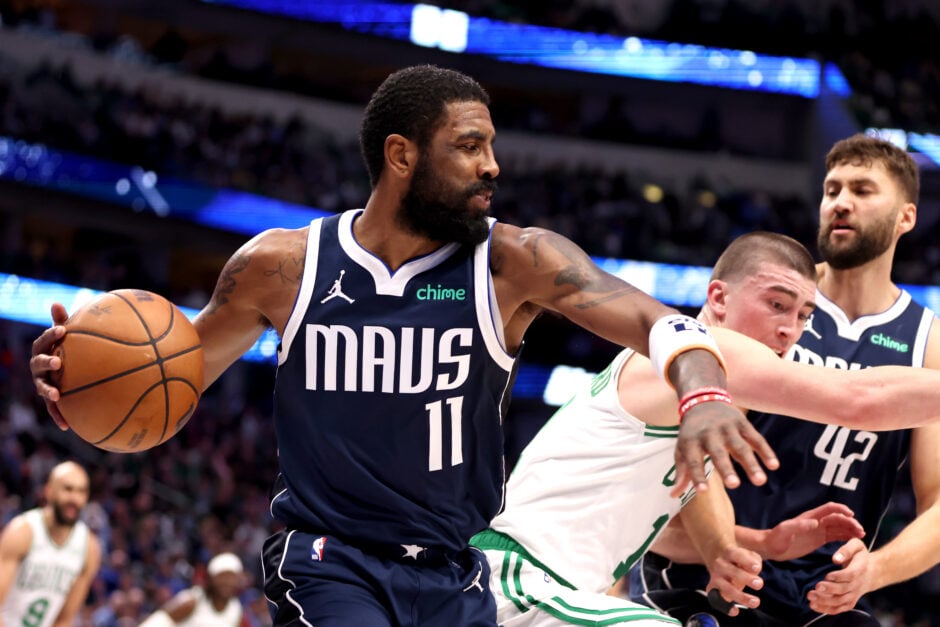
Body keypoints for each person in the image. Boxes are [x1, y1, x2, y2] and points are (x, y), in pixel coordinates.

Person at [30, 64, 774, 626]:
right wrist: (84, 373)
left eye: (492, 146)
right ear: (401, 155)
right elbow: (173, 372)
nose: (493, 165)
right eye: (469, 145)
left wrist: (702, 390)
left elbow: (658, 322)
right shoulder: (282, 267)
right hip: (331, 557)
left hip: (456, 570)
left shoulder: (514, 262)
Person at [473, 231, 940, 626]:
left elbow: (660, 534)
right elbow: (859, 400)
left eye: (803, 316)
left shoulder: (700, 397)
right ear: (718, 297)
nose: (790, 330)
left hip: (556, 592)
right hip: (518, 578)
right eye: (777, 305)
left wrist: (762, 543)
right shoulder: (707, 349)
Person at [632, 134, 940, 626]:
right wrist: (721, 549)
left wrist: (874, 571)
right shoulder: (771, 297)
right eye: (832, 189)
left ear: (906, 217)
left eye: (861, 190)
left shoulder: (927, 340)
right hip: (712, 562)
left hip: (822, 590)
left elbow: (938, 499)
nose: (840, 203)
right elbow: (693, 432)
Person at [0, 460, 102, 627]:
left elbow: (64, 620)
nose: (74, 498)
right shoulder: (22, 532)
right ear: (49, 491)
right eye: (67, 489)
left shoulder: (89, 548)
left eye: (81, 491)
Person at [139, 552, 245, 626]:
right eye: (223, 577)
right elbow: (156, 622)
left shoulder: (235, 608)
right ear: (211, 578)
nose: (227, 582)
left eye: (232, 578)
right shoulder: (192, 600)